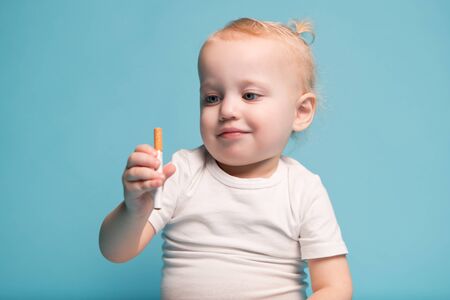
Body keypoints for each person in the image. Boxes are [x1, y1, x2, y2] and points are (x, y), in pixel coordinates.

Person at [99, 17, 352, 300]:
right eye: (212, 98)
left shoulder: (303, 190)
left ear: (301, 112)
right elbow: (115, 251)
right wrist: (134, 209)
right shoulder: (180, 172)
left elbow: (335, 287)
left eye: (250, 95)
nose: (227, 109)